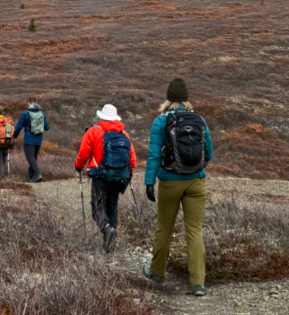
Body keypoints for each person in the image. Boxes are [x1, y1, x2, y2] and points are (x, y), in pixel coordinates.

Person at [142, 78, 213, 297]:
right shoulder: (199, 119)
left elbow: (154, 155)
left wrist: (149, 182)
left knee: (165, 227)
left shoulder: (160, 122)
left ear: (168, 98)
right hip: (196, 182)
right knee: (195, 230)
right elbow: (208, 152)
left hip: (170, 181)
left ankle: (157, 272)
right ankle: (198, 283)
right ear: (186, 99)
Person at [75, 104, 135, 253]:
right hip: (118, 176)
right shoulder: (124, 134)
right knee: (112, 207)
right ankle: (110, 246)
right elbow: (132, 158)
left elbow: (84, 152)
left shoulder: (94, 131)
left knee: (97, 207)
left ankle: (107, 229)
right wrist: (129, 174)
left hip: (100, 176)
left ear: (101, 116)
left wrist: (78, 166)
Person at [14, 97, 50, 182]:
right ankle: (30, 177)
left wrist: (14, 136)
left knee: (30, 157)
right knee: (33, 158)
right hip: (39, 139)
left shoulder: (25, 114)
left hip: (29, 138)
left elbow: (18, 127)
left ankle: (37, 174)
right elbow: (47, 127)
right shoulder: (42, 114)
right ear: (37, 103)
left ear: (28, 104)